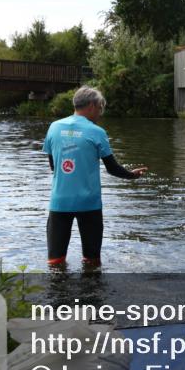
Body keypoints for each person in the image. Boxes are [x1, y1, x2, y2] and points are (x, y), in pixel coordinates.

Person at [41, 86, 147, 266]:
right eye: (100, 108)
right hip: (88, 204)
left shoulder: (54, 127)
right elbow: (112, 168)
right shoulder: (97, 132)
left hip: (59, 202)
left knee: (55, 262)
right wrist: (132, 175)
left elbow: (54, 166)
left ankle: (57, 292)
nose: (100, 113)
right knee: (92, 261)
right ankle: (91, 292)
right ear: (91, 105)